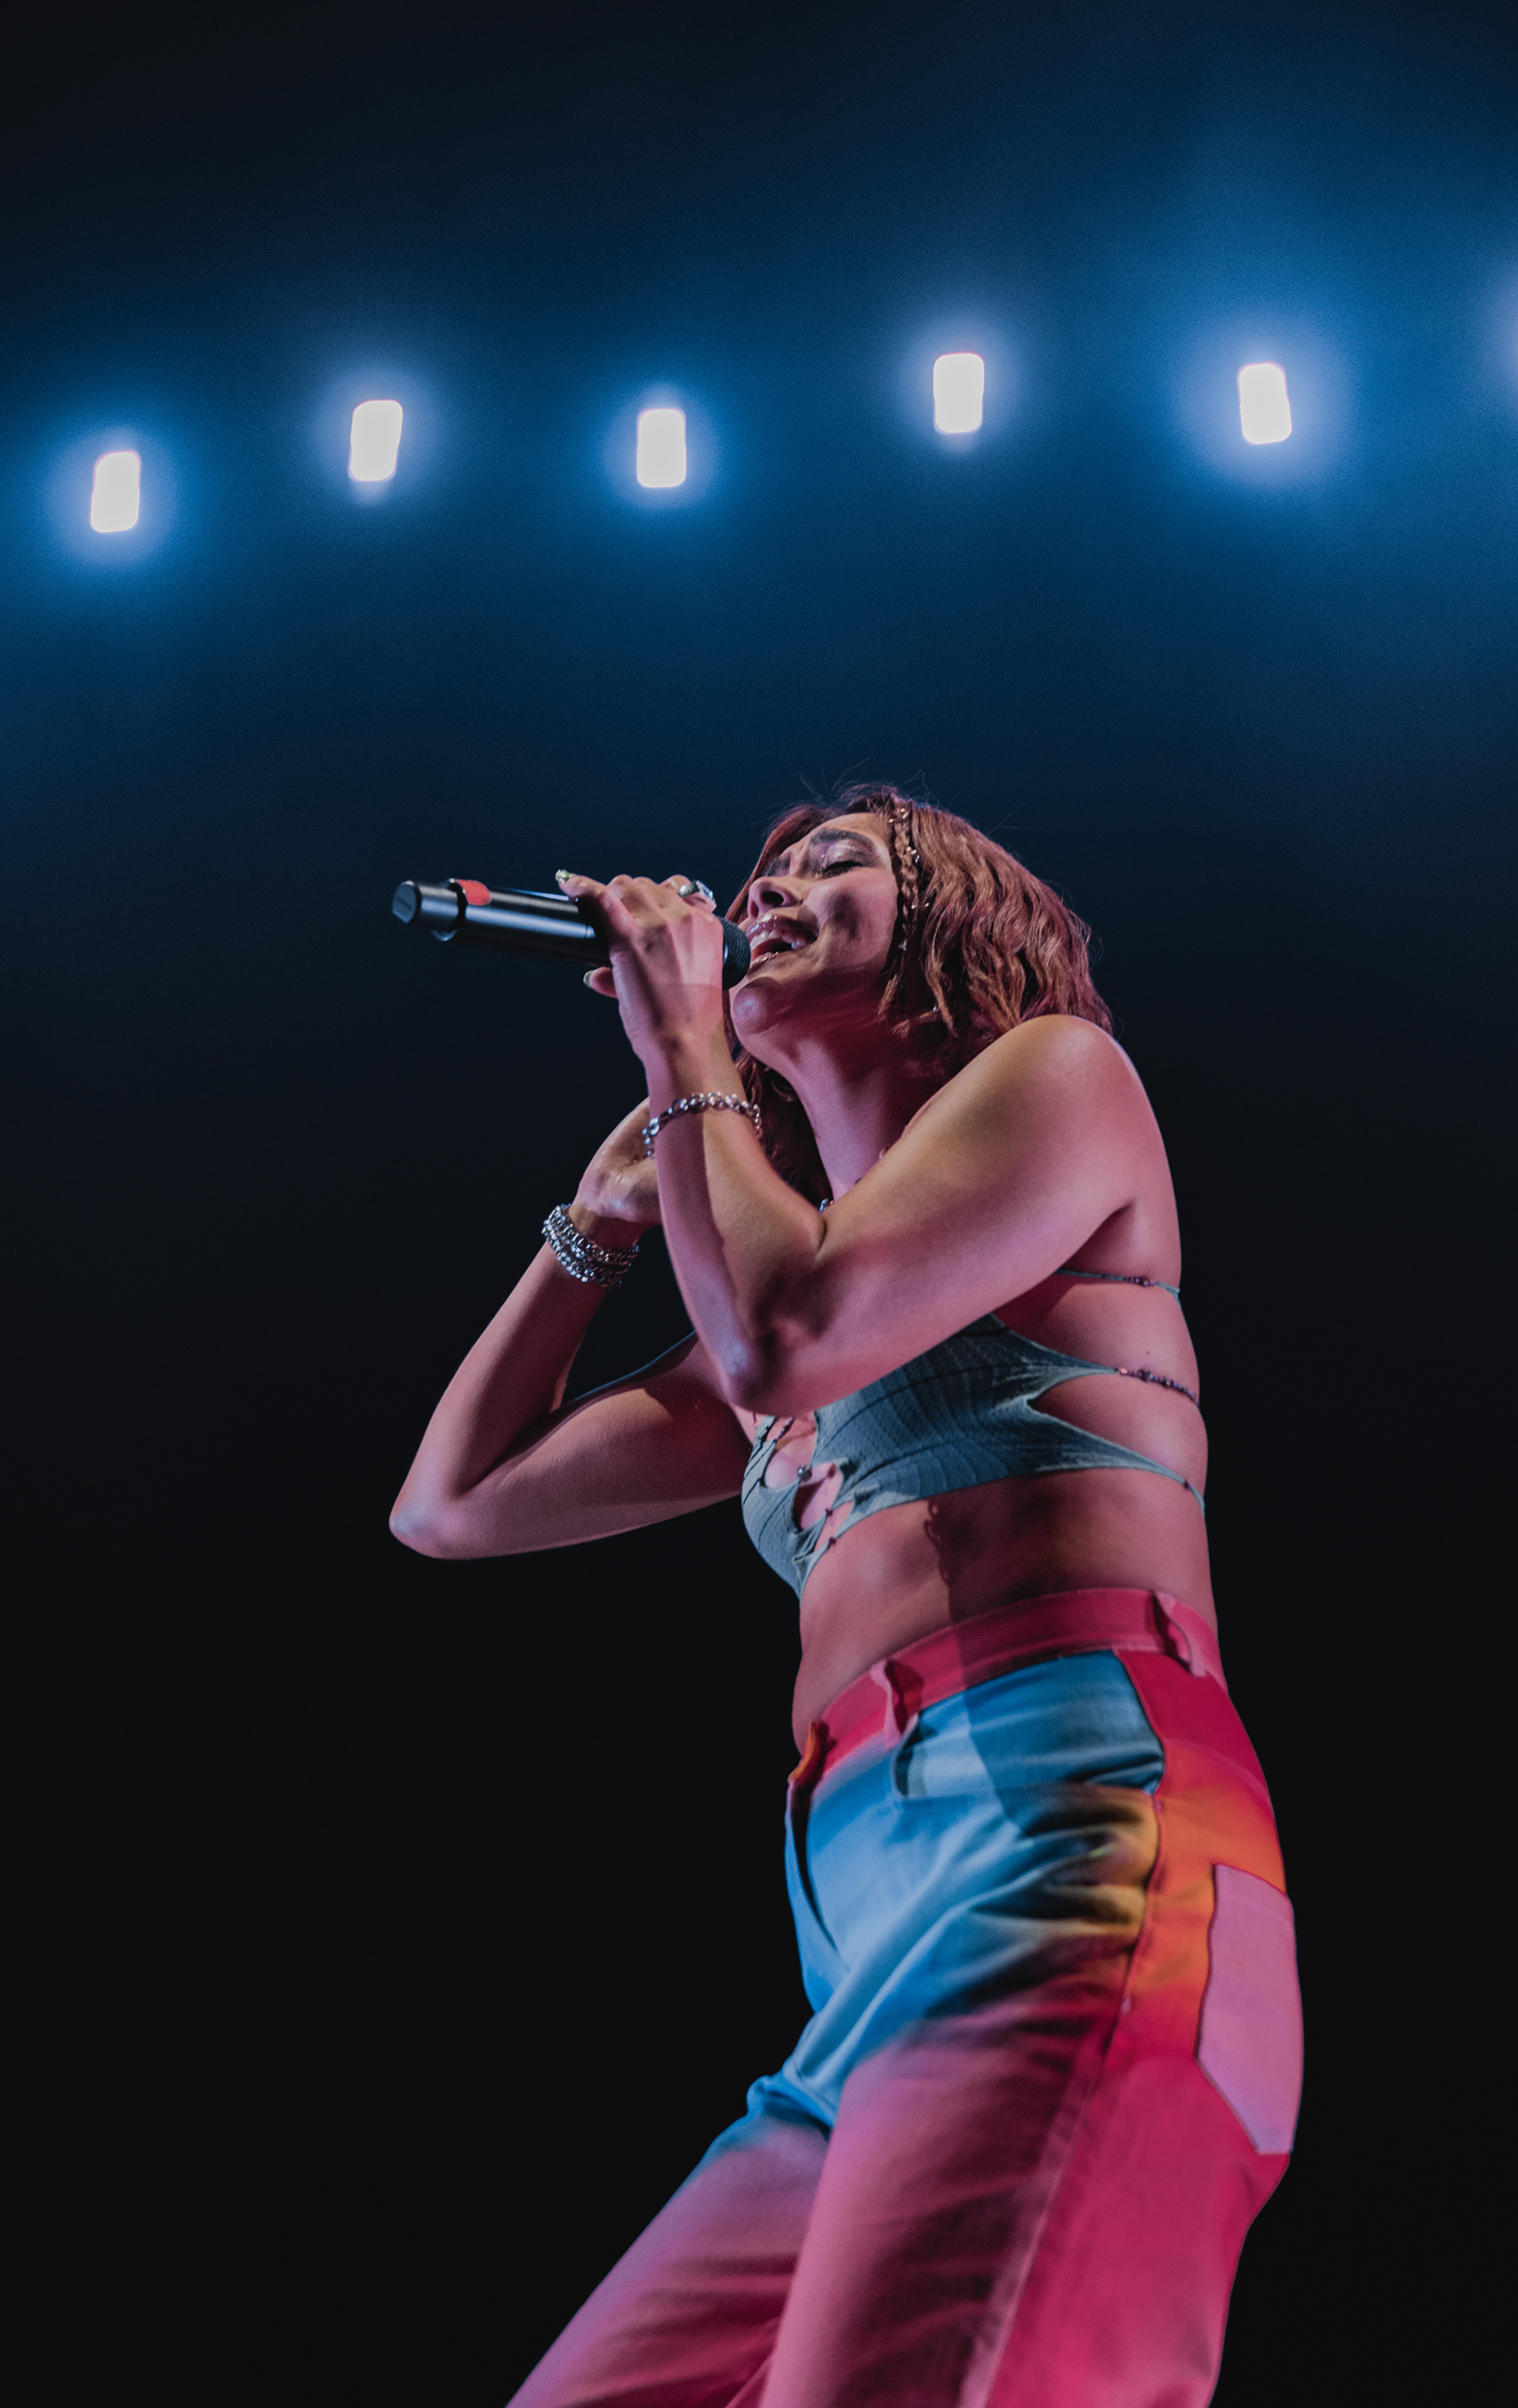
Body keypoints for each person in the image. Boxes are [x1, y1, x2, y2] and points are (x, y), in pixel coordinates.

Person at [391, 784, 1302, 2408]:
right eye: (760, 878)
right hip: (866, 1966)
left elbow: (784, 1334)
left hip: (1074, 1849)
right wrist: (595, 1228)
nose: (768, 894)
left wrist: (685, 1055)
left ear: (953, 930)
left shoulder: (1064, 1079)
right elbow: (451, 1505)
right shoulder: (793, 1285)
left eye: (834, 866)